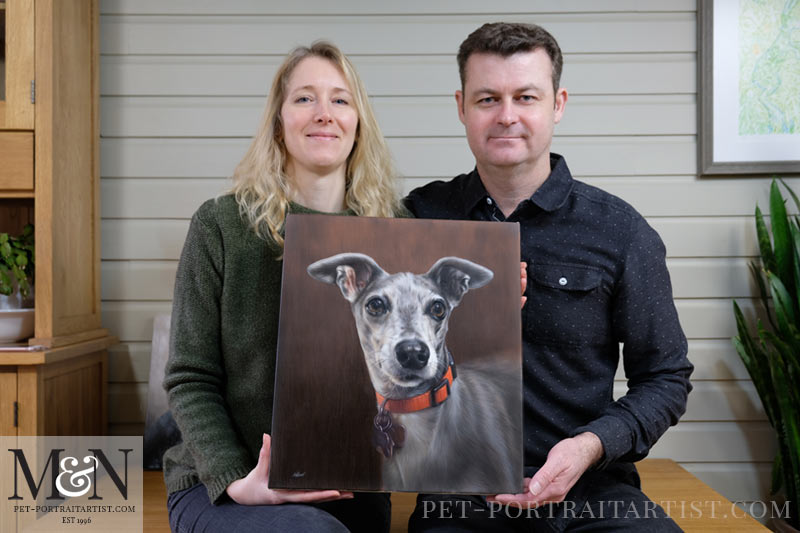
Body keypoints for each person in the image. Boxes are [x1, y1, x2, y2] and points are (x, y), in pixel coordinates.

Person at [405, 22, 693, 531]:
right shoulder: (418, 218)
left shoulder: (619, 230)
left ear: (557, 104)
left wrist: (591, 446)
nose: (507, 116)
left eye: (526, 97)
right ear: (461, 106)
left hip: (593, 490)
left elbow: (666, 377)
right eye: (488, 98)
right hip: (461, 493)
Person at [162, 41, 403, 533]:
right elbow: (190, 377)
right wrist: (236, 479)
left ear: (358, 123)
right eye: (304, 99)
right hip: (222, 487)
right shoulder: (221, 224)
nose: (323, 114)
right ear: (278, 121)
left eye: (340, 99)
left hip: (348, 482)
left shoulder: (395, 230)